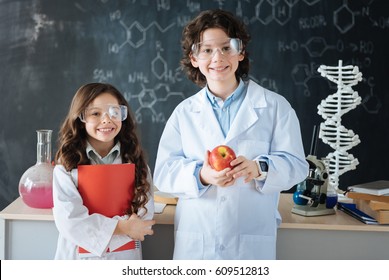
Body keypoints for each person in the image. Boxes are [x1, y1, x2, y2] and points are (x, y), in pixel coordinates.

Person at [153, 9, 309, 260]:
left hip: (250, 239)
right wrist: (202, 175)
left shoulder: (275, 107)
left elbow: (297, 166)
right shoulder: (184, 113)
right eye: (206, 50)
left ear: (241, 52)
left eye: (227, 48)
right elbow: (164, 173)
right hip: (198, 240)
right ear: (194, 58)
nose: (217, 57)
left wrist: (259, 168)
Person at [53, 83, 155, 260]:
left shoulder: (137, 163)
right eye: (95, 113)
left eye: (114, 112)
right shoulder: (66, 166)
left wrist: (104, 229)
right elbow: (71, 221)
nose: (107, 119)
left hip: (124, 257)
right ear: (81, 118)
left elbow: (142, 218)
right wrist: (123, 227)